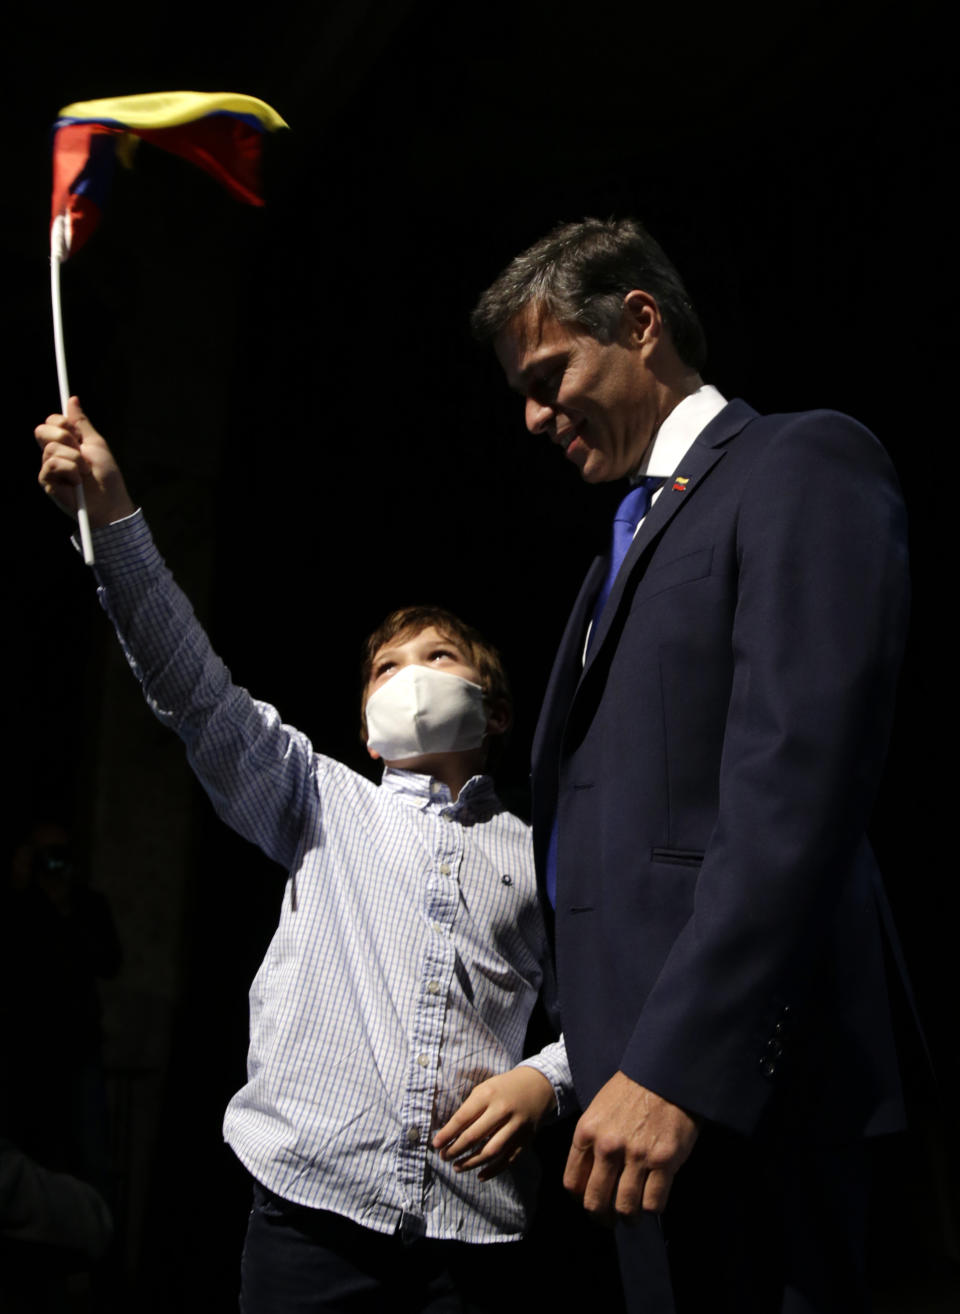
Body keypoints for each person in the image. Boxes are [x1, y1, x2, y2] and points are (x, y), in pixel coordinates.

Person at [435, 218, 910, 1314]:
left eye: (551, 375)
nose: (533, 416)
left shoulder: (800, 462)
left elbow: (798, 787)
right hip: (634, 1108)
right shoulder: (629, 538)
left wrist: (685, 1063)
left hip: (745, 1096)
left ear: (640, 322)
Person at [35, 400, 574, 1313]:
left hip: (469, 1239)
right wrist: (115, 518)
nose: (410, 674)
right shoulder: (319, 798)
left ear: (497, 710)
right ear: (367, 728)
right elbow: (195, 693)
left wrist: (547, 1079)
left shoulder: (542, 851)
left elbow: (615, 1000)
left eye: (437, 655)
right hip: (308, 1221)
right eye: (386, 668)